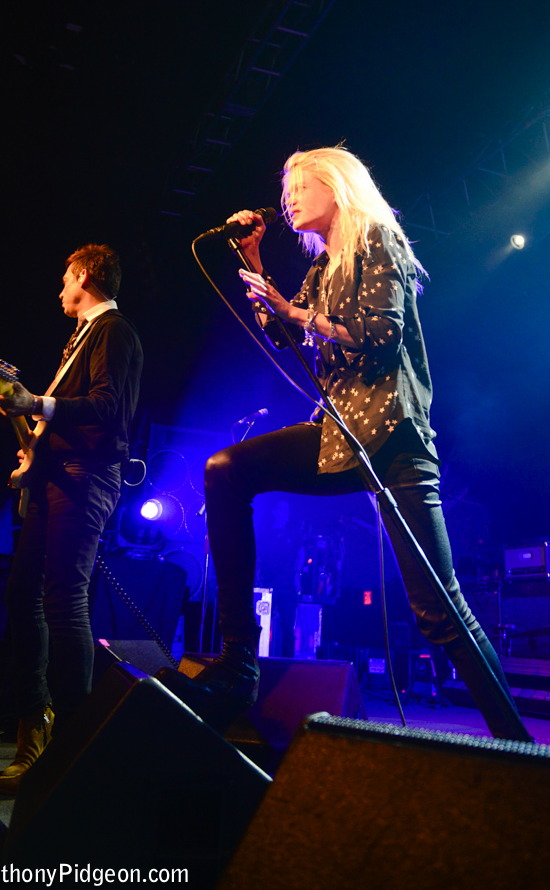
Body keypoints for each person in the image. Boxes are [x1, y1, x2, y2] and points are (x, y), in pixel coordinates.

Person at [158, 145, 532, 742]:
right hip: (338, 433)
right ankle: (238, 662)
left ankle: (518, 745)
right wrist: (255, 262)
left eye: (300, 187)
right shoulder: (320, 270)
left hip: (393, 436)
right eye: (286, 191)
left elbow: (381, 335)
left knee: (439, 608)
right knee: (225, 469)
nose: (288, 200)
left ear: (337, 186)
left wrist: (295, 314)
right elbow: (284, 333)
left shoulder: (377, 239)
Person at [0, 243, 143, 792]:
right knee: (23, 595)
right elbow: (67, 414)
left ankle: (73, 748)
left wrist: (34, 404)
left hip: (85, 477)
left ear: (83, 276)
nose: (59, 290)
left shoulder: (113, 331)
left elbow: (107, 409)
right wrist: (32, 438)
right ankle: (36, 726)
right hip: (58, 473)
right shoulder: (80, 339)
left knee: (63, 599)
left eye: (64, 280)